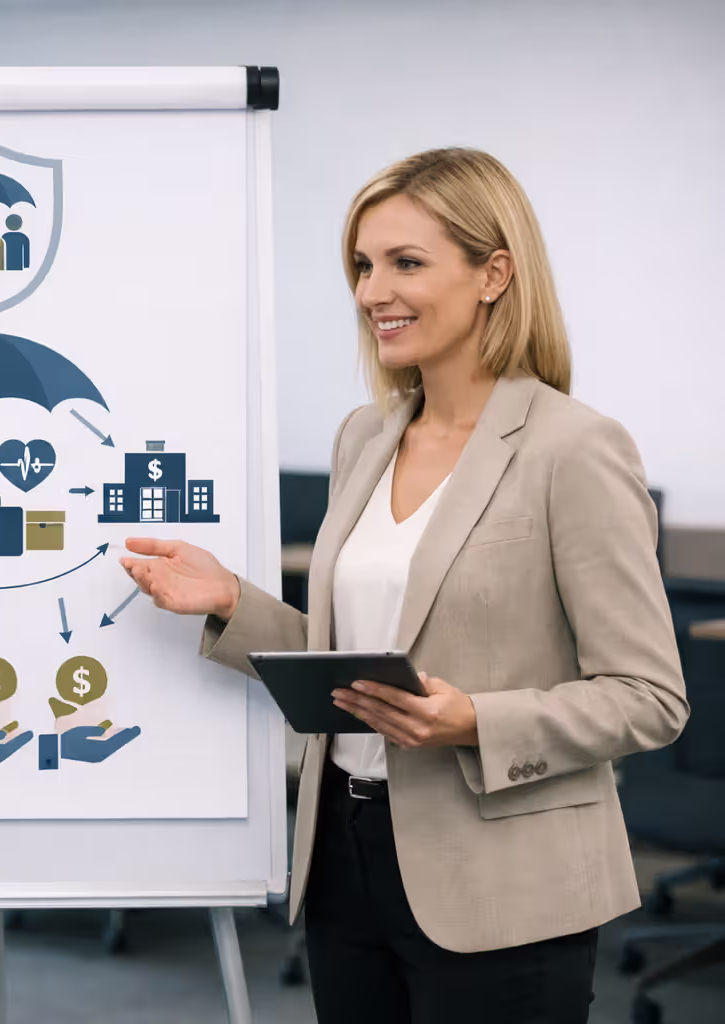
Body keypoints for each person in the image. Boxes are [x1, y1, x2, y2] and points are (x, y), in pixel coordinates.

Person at [122, 148, 687, 1023]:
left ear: (495, 272)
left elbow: (649, 697)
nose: (371, 291)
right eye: (362, 265)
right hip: (345, 851)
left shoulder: (573, 448)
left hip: (501, 876)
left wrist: (477, 722)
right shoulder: (367, 435)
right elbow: (357, 663)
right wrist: (231, 601)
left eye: (405, 263)